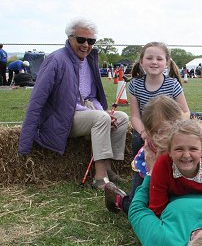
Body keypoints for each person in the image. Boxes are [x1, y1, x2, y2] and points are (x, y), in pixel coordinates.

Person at [18, 17, 129, 190]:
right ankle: (100, 178)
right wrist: (25, 142)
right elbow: (37, 100)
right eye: (81, 39)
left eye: (91, 41)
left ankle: (109, 168)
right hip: (63, 118)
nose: (86, 44)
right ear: (70, 38)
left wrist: (104, 112)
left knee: (121, 117)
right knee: (101, 118)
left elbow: (92, 95)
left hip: (86, 110)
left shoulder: (90, 59)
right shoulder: (56, 60)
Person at [128, 42, 190, 197]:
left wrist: (171, 129)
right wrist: (144, 132)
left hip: (170, 128)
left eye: (159, 59)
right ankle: (141, 175)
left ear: (166, 63)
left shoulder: (172, 84)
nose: (154, 62)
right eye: (149, 58)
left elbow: (185, 112)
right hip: (147, 127)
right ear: (141, 62)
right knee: (137, 141)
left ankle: (172, 179)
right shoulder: (135, 84)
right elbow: (135, 116)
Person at [106, 96, 184, 214]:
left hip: (167, 180)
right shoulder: (152, 145)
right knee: (138, 205)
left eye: (163, 131)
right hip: (146, 169)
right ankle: (119, 199)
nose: (159, 137)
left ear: (177, 124)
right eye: (154, 132)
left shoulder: (182, 139)